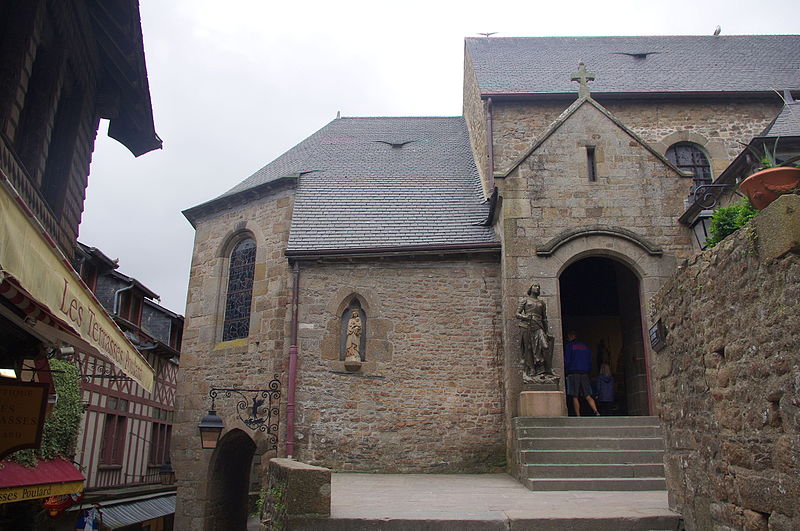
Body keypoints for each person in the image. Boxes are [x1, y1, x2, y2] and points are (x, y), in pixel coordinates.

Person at [515, 284, 554, 378]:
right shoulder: (525, 300)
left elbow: (544, 318)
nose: (537, 288)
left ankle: (546, 368)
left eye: (538, 287)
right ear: (531, 288)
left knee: (545, 346)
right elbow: (517, 314)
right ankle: (532, 369)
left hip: (538, 325)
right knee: (528, 348)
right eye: (535, 286)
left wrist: (547, 332)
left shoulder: (541, 303)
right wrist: (525, 317)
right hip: (526, 325)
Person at [564, 330, 600, 416]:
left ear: (571, 336)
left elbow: (567, 360)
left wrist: (566, 371)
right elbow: (590, 360)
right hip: (584, 373)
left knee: (575, 395)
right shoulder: (585, 346)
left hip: (573, 372)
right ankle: (596, 411)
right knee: (587, 395)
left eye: (568, 337)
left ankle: (578, 415)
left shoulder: (569, 346)